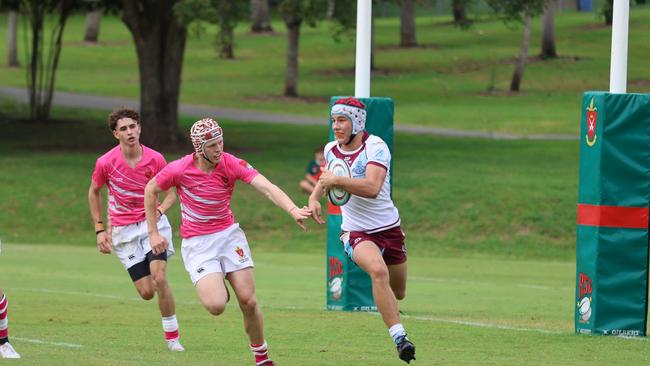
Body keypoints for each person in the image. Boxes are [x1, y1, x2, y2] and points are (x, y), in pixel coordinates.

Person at [144, 118, 310, 366]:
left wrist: (293, 209)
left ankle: (262, 358)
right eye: (212, 145)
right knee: (216, 305)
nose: (219, 148)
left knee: (248, 300)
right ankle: (217, 281)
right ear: (199, 148)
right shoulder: (179, 168)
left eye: (220, 142)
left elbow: (267, 187)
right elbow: (150, 189)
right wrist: (153, 233)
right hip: (198, 244)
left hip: (229, 236)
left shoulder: (230, 163)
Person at [307, 97, 416, 364]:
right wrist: (313, 198)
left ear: (356, 121)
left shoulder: (376, 147)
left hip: (389, 229)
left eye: (342, 120)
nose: (336, 126)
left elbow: (372, 187)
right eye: (333, 120)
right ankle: (400, 338)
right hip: (355, 231)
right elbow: (326, 178)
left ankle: (391, 309)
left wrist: (337, 180)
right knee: (377, 271)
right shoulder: (331, 149)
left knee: (398, 291)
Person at [87, 107, 184, 352]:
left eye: (132, 127)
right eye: (123, 129)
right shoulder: (105, 162)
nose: (129, 132)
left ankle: (173, 338)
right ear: (115, 134)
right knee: (147, 292)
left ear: (139, 128)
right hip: (123, 231)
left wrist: (159, 213)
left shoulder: (155, 159)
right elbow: (94, 192)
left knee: (160, 278)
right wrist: (100, 230)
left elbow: (172, 193)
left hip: (153, 225)